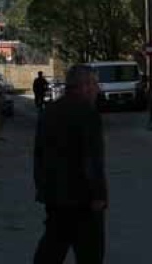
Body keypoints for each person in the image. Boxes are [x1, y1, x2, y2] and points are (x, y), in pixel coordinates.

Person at [33, 64, 108, 264]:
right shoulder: (88, 113)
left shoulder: (49, 111)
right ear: (83, 86)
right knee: (90, 253)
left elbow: (38, 154)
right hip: (83, 198)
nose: (97, 89)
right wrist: (99, 195)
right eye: (94, 84)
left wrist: (42, 187)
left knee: (52, 249)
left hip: (55, 196)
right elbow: (92, 158)